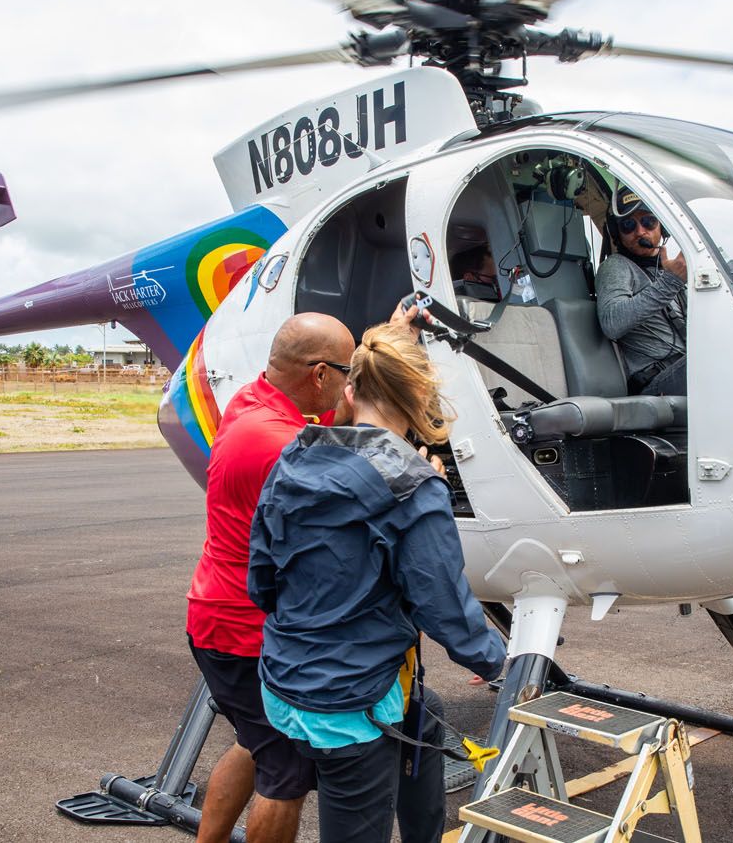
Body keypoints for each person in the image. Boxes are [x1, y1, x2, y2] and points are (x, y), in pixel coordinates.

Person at [248, 323, 508, 843]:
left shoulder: (294, 457)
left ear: (350, 391)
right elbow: (445, 610)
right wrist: (502, 664)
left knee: (425, 715)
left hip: (281, 682)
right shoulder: (413, 485)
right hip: (347, 704)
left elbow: (262, 583)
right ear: (420, 400)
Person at [185, 311, 355, 843]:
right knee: (287, 774)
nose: (351, 385)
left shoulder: (253, 402)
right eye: (347, 374)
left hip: (216, 614)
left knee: (254, 745)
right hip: (245, 632)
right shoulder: (277, 444)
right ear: (321, 375)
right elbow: (356, 491)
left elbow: (328, 424)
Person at [596, 187, 688, 395]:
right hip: (656, 381)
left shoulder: (668, 268)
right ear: (616, 233)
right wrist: (670, 283)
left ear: (661, 226)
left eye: (648, 222)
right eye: (628, 225)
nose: (640, 231)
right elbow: (612, 322)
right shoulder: (617, 266)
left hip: (686, 365)